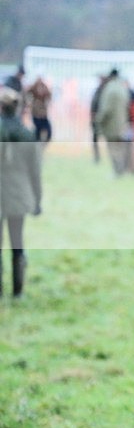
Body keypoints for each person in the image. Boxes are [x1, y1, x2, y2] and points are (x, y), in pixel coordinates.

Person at [0, 88, 42, 298]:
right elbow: (35, 172)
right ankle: (18, 291)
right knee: (17, 241)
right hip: (19, 196)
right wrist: (37, 200)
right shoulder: (27, 134)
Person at [95, 69, 134, 177]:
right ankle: (122, 171)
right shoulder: (122, 88)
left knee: (113, 149)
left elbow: (106, 109)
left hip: (111, 125)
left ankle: (117, 172)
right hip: (123, 123)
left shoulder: (109, 89)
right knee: (121, 149)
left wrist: (99, 120)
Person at [26, 76, 52, 142]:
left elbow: (49, 95)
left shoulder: (45, 89)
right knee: (38, 131)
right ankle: (37, 142)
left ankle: (42, 142)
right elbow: (27, 93)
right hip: (36, 115)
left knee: (48, 130)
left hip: (43, 115)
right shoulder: (33, 89)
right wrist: (28, 103)